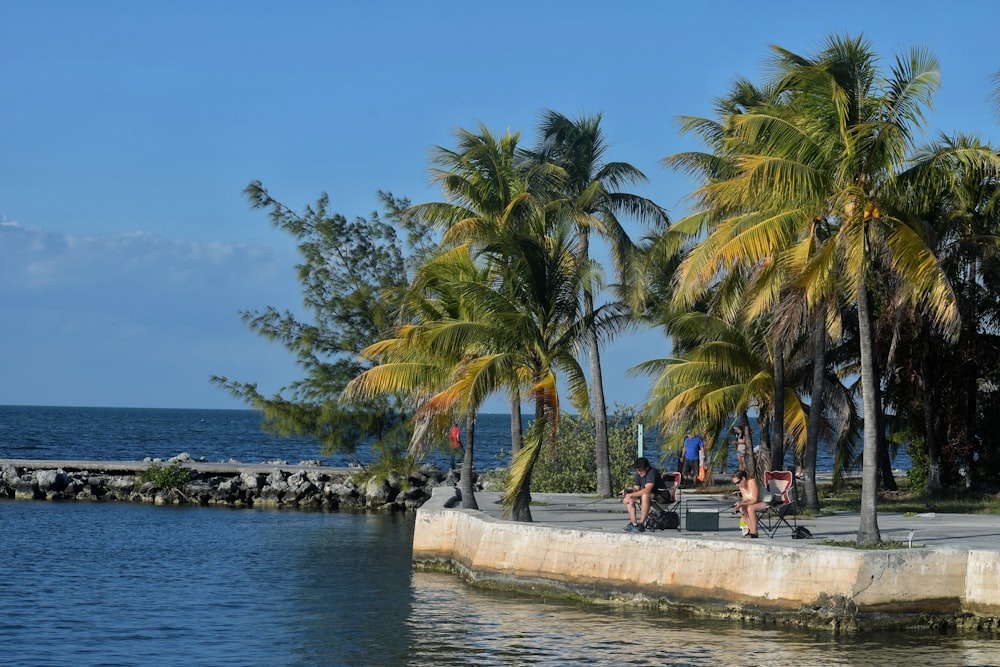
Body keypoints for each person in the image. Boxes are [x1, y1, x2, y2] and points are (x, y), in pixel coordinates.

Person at [620, 457, 662, 533]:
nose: (639, 472)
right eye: (638, 470)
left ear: (647, 468)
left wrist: (631, 495)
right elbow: (636, 488)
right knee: (629, 497)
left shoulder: (652, 472)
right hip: (648, 497)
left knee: (645, 495)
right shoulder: (639, 473)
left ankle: (641, 524)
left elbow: (648, 489)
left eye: (641, 470)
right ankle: (634, 524)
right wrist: (627, 491)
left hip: (660, 497)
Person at [732, 469, 767, 538]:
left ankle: (754, 532)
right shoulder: (741, 487)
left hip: (767, 502)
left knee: (751, 508)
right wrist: (740, 503)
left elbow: (755, 500)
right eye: (735, 483)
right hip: (757, 503)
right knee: (742, 509)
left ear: (743, 479)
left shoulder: (753, 482)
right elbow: (745, 500)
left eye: (738, 482)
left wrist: (742, 503)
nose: (737, 485)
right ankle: (751, 530)